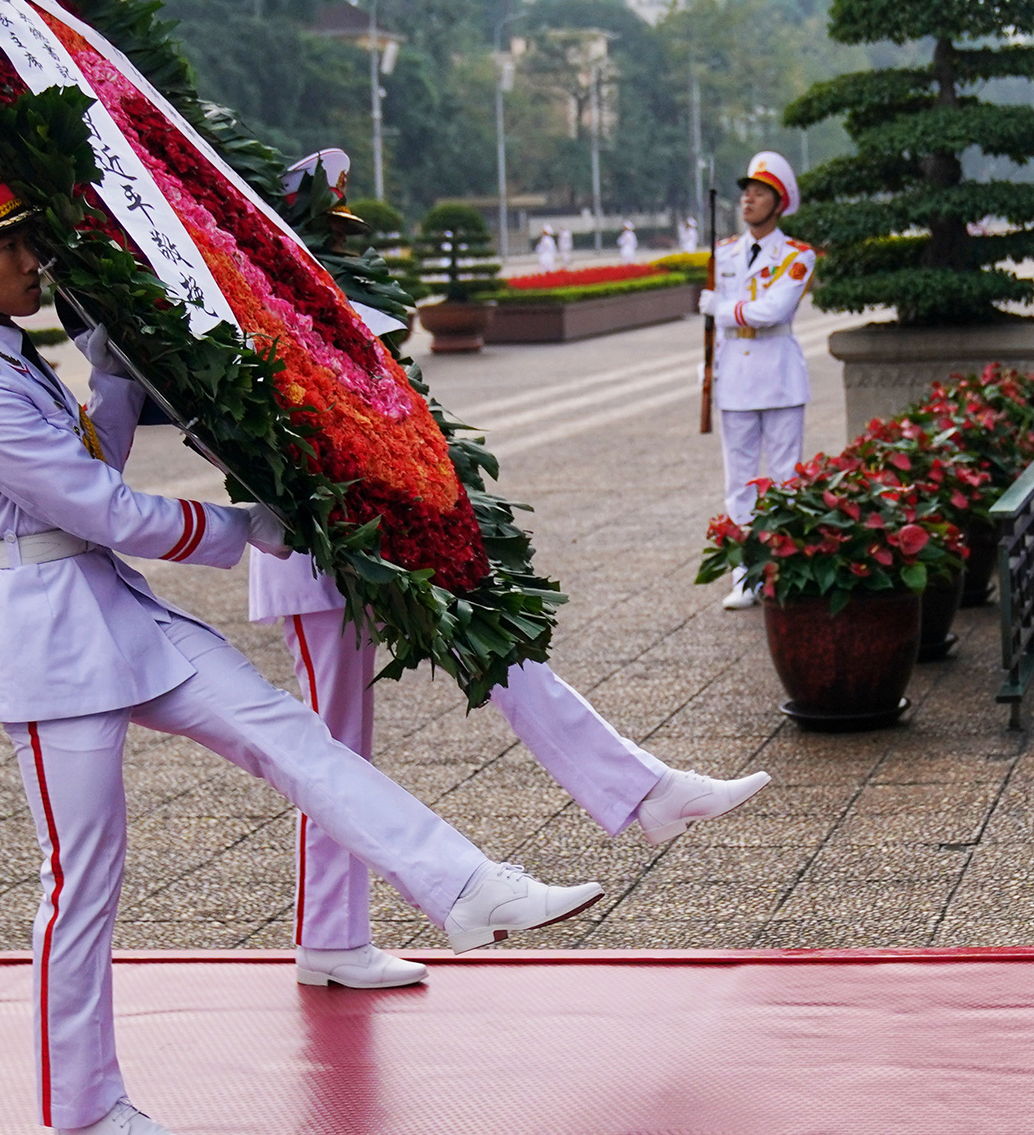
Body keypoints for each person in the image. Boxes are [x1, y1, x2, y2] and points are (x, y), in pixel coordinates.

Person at [0, 132, 605, 1135]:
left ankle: (464, 885)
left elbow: (91, 459)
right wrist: (241, 528)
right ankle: (88, 1114)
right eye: (12, 245)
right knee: (82, 881)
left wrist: (115, 376)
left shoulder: (9, 358)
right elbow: (101, 505)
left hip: (109, 611)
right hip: (47, 642)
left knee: (291, 739)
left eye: (33, 236)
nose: (36, 257)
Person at [254, 151, 771, 990]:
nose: (339, 240)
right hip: (320, 550)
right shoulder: (261, 304)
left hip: (394, 533)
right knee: (334, 751)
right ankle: (331, 938)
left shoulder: (324, 292)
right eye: (325, 224)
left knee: (499, 662)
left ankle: (645, 791)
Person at [699, 151, 814, 610]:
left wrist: (719, 309)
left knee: (785, 477)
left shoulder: (796, 255)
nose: (748, 199)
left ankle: (784, 567)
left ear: (778, 202)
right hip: (736, 379)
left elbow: (774, 311)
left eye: (759, 192)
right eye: (746, 191)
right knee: (740, 481)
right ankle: (746, 574)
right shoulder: (724, 251)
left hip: (780, 374)